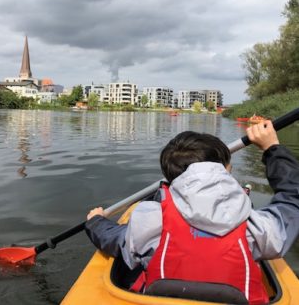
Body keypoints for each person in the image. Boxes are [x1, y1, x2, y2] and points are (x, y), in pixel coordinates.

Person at [85, 121, 299, 305]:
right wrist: (273, 149)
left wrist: (96, 222)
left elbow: (114, 239)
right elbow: (293, 199)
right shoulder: (258, 227)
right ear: (225, 170)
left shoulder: (149, 218)